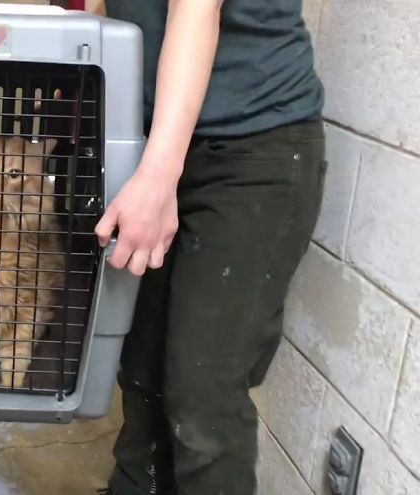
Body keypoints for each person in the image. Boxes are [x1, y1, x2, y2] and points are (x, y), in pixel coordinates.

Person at [93, 0, 325, 494]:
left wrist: (157, 176)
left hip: (252, 147)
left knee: (202, 399)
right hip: (160, 142)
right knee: (142, 372)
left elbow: (195, 9)